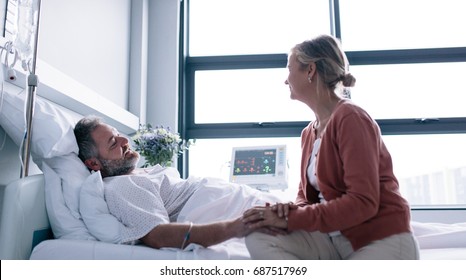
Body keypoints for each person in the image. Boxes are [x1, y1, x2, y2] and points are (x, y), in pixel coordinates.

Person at [242, 34, 420, 260]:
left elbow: (363, 202)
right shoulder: (309, 133)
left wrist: (291, 219)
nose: (285, 80)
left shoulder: (351, 118)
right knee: (260, 235)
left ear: (310, 71)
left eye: (289, 69)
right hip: (334, 239)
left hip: (378, 239)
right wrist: (288, 211)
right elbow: (306, 199)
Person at [74, 116, 277, 250]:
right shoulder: (121, 186)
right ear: (94, 163)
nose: (124, 141)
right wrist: (236, 227)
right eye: (113, 143)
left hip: (236, 198)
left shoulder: (137, 173)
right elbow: (158, 235)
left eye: (118, 135)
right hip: (229, 209)